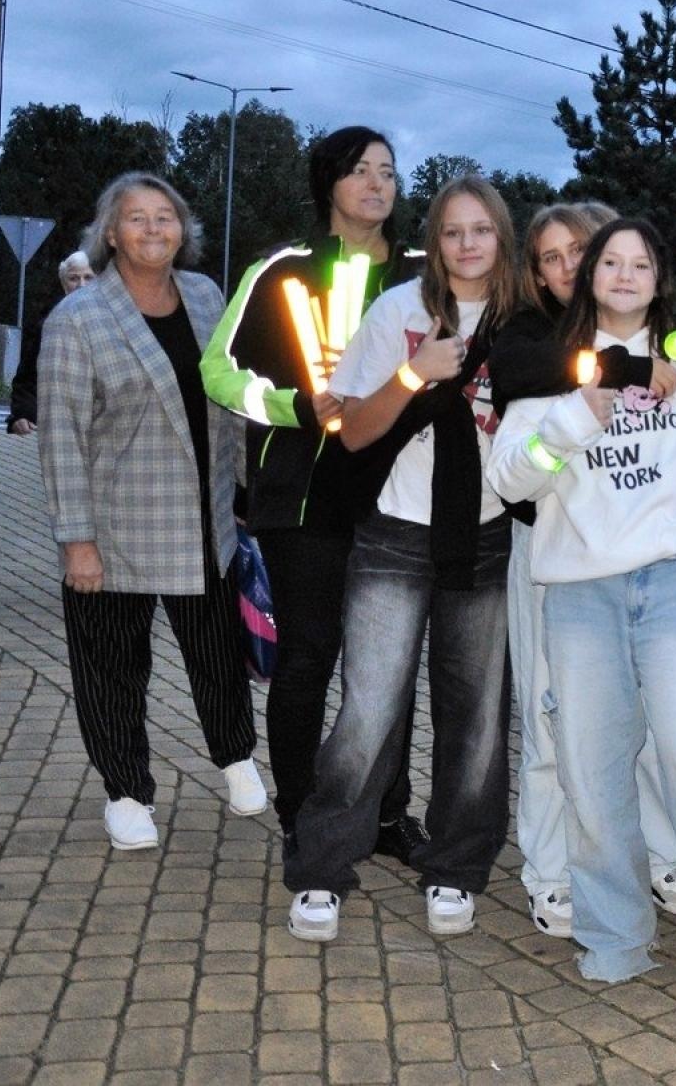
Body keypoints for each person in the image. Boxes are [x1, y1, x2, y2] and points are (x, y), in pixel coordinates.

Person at [487, 218, 676, 1005]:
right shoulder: (557, 365)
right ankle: (614, 941)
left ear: (658, 277)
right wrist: (578, 415)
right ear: (588, 277)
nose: (622, 273)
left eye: (638, 262)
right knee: (590, 771)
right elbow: (511, 480)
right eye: (608, 261)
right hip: (580, 593)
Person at [283, 175, 516, 942]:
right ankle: (321, 867)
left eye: (481, 229)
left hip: (485, 534)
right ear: (434, 240)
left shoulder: (526, 320)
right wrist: (417, 373)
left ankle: (456, 865)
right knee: (371, 707)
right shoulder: (398, 311)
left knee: (475, 716)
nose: (467, 244)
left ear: (501, 237)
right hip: (394, 531)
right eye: (453, 231)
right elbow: (350, 432)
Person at [201, 125, 427, 862]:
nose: (377, 185)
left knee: (388, 664)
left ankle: (387, 813)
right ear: (328, 182)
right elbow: (218, 371)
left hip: (403, 492)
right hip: (302, 495)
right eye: (361, 170)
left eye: (388, 173)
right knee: (308, 657)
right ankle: (302, 814)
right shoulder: (281, 270)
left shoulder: (425, 273)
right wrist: (295, 406)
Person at [38, 172, 263, 851]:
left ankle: (235, 757)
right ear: (111, 234)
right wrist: (76, 541)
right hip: (114, 529)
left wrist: (250, 492)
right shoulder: (77, 319)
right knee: (112, 665)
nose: (154, 229)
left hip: (206, 519)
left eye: (165, 217)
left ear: (182, 229)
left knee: (219, 654)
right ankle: (127, 791)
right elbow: (60, 439)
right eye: (137, 218)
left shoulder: (205, 296)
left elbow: (231, 401)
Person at [488, 202, 676, 939]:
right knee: (548, 718)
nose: (568, 266)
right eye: (550, 256)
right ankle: (549, 872)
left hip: (636, 562)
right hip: (547, 558)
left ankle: (666, 860)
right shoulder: (530, 339)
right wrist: (634, 367)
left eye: (582, 250)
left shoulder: (660, 332)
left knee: (645, 719)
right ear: (535, 272)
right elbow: (519, 380)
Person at [7, 250, 97, 435]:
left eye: (89, 278)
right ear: (64, 284)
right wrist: (22, 415)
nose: (81, 285)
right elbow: (27, 379)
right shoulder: (47, 327)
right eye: (74, 278)